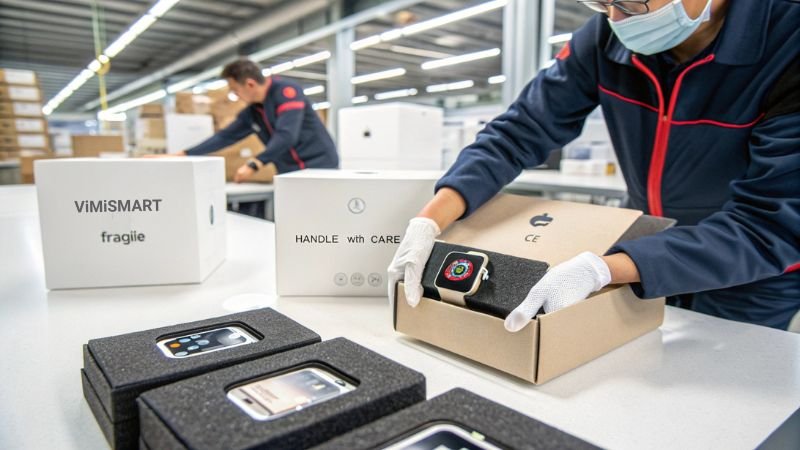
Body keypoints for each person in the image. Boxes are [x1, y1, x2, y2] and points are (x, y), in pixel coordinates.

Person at [388, 0, 800, 331]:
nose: (616, 19)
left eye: (631, 3)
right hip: (647, 238)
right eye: (601, 2)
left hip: (754, 270)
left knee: (721, 405)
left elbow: (771, 222)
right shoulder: (604, 38)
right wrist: (431, 219)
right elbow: (520, 131)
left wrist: (605, 268)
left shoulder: (789, 43)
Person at [172, 59, 338, 181]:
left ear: (250, 84)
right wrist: (184, 154)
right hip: (289, 172)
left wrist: (255, 164)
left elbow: (287, 135)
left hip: (319, 167)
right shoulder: (253, 111)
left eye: (235, 90)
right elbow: (225, 136)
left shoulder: (286, 92)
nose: (235, 96)